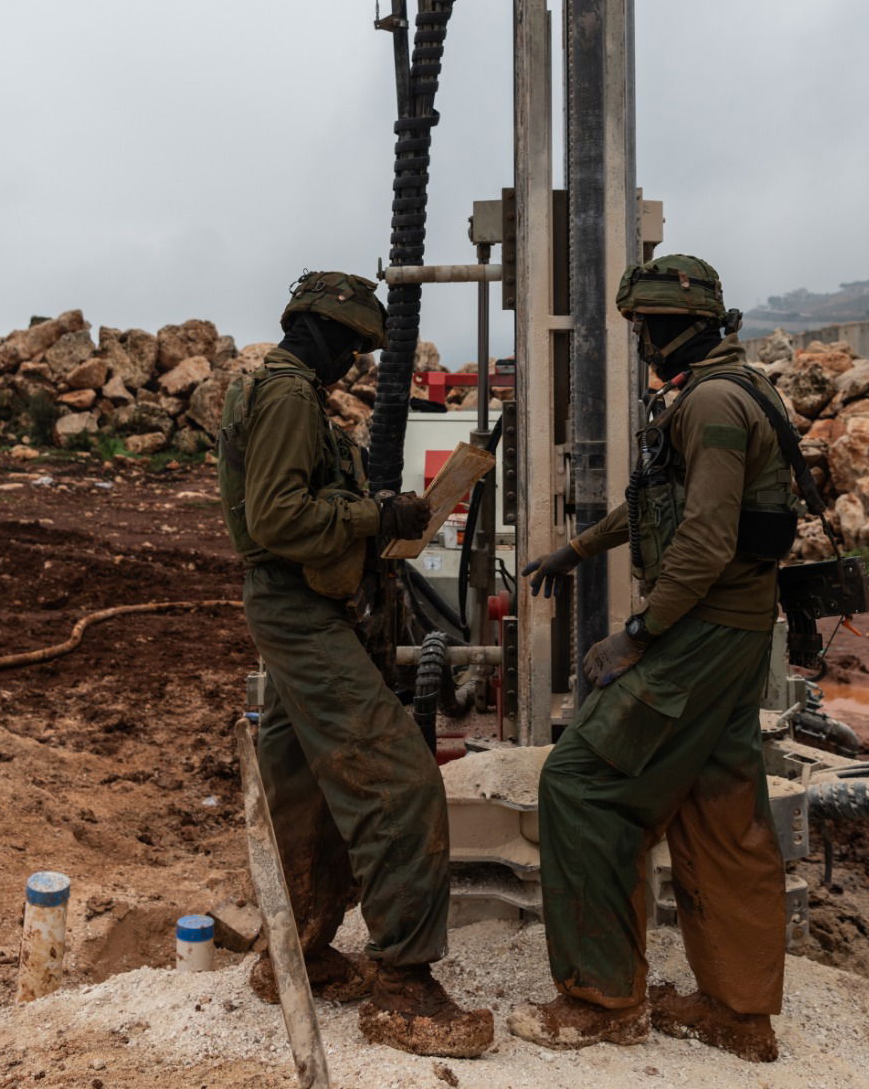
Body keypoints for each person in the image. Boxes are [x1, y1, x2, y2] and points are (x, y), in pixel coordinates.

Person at [509, 253, 797, 1062]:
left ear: (675, 324)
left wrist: (637, 635)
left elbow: (702, 539)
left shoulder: (710, 403)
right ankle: (739, 1015)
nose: (638, 341)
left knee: (582, 787)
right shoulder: (737, 388)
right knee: (719, 810)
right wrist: (576, 549)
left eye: (643, 326)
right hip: (738, 630)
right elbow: (655, 505)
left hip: (701, 630)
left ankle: (602, 1000)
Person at [218, 269, 493, 1059]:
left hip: (297, 602)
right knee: (397, 779)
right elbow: (278, 518)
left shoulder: (276, 387)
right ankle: (404, 987)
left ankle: (294, 950)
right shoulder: (288, 394)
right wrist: (378, 514)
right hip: (298, 607)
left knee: (299, 779)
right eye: (351, 347)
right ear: (322, 331)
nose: (354, 363)